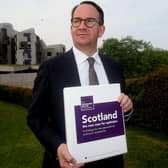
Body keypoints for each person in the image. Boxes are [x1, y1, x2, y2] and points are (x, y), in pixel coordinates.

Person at [27, 1, 133, 168]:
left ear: (101, 30)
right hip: (69, 163)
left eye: (90, 21)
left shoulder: (115, 67)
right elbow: (35, 118)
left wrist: (127, 108)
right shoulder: (51, 68)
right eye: (76, 21)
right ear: (71, 27)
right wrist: (57, 146)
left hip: (111, 162)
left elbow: (122, 111)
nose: (82, 26)